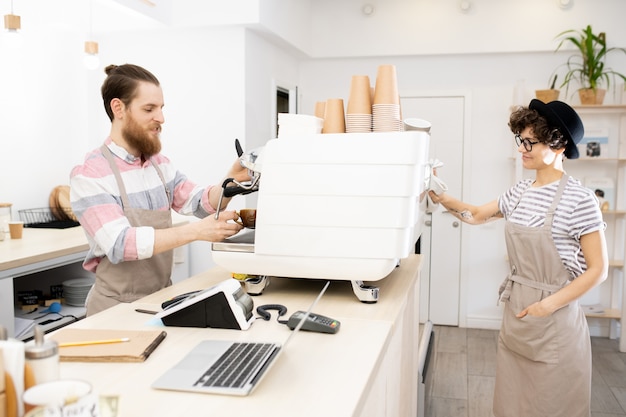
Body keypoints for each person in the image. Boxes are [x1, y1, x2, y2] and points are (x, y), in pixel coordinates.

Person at [429, 99, 608, 417]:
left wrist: (547, 306)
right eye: (520, 140)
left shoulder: (581, 200)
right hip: (517, 314)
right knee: (513, 403)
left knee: (552, 404)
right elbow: (475, 215)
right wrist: (441, 197)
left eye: (530, 142)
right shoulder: (519, 192)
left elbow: (598, 270)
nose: (522, 149)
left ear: (559, 143)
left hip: (555, 320)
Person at [70, 64, 247, 316]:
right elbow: (121, 244)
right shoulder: (90, 173)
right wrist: (196, 232)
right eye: (149, 109)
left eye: (161, 108)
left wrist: (231, 181)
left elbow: (200, 203)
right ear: (118, 108)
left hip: (161, 299)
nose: (161, 118)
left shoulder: (159, 165)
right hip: (114, 310)